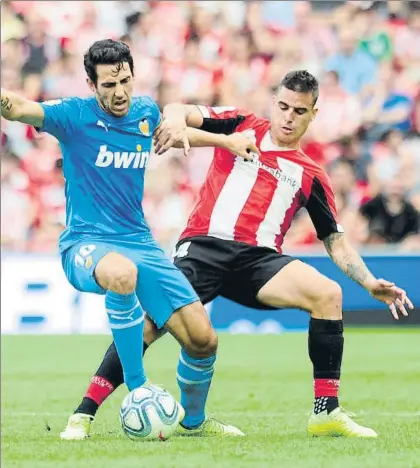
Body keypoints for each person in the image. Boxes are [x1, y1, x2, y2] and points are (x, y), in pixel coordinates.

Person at [62, 70, 414, 440]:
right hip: (204, 248)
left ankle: (326, 412)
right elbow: (180, 109)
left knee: (328, 295)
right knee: (151, 323)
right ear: (273, 103)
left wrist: (370, 281)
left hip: (259, 261)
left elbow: (336, 242)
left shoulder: (311, 174)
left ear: (313, 114)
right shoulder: (241, 123)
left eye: (298, 110)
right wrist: (179, 124)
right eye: (282, 106)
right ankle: (84, 412)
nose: (288, 117)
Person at [1, 39, 258, 440]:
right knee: (121, 275)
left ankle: (193, 423)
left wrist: (227, 141)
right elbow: (17, 108)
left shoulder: (143, 112)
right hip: (86, 243)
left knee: (203, 340)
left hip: (140, 241)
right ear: (91, 84)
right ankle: (138, 392)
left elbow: (175, 133)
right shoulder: (72, 116)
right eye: (108, 85)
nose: (119, 92)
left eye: (125, 80)